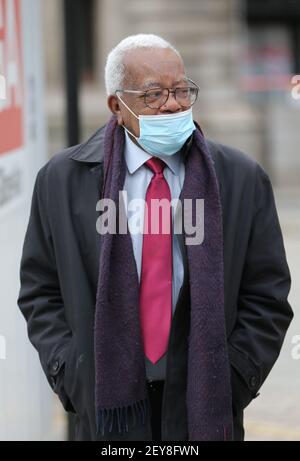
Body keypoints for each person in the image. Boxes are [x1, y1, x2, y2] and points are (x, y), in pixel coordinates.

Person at [17, 34, 293, 441]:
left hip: (205, 401)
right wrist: (72, 373)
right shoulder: (62, 181)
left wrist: (234, 377)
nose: (173, 104)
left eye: (182, 90)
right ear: (117, 105)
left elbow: (267, 295)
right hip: (104, 405)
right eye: (153, 94)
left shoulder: (241, 178)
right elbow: (40, 290)